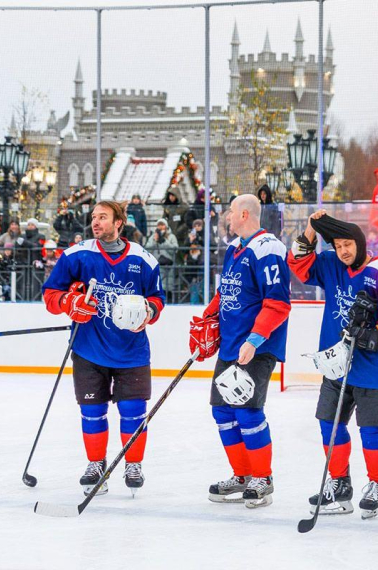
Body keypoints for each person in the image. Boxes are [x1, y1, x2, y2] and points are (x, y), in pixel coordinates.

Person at [287, 210, 378, 519]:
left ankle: (376, 484)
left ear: (359, 242)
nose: (343, 251)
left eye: (348, 245)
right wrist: (310, 229)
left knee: (373, 430)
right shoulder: (331, 265)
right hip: (336, 365)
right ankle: (340, 484)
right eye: (338, 246)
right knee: (328, 425)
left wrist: (377, 332)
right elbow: (299, 266)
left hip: (373, 368)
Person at [43, 200, 165, 496]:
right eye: (94, 217)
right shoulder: (76, 255)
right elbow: (50, 294)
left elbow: (158, 298)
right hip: (89, 350)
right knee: (92, 412)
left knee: (134, 412)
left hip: (131, 352)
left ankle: (133, 463)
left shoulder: (143, 260)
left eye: (103, 217)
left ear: (119, 223)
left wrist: (148, 311)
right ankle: (96, 464)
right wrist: (67, 303)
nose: (95, 222)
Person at [190, 194, 290, 508]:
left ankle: (263, 477)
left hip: (255, 348)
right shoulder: (235, 249)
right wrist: (207, 319)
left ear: (244, 214)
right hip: (231, 345)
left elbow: (278, 303)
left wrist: (255, 339)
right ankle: (242, 474)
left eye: (230, 212)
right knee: (222, 410)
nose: (227, 217)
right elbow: (225, 292)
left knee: (247, 410)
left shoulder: (268, 249)